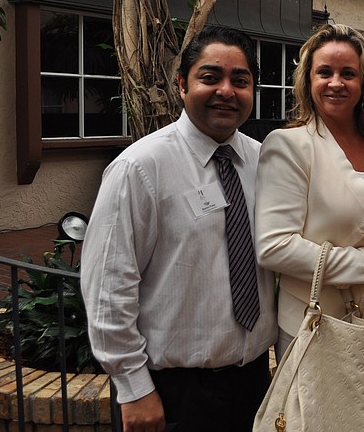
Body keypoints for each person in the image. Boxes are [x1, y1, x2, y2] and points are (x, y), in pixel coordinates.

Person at [81, 26, 276, 432]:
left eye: (240, 81)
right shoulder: (140, 168)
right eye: (210, 77)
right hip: (172, 393)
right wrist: (133, 388)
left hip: (253, 383)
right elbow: (108, 287)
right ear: (182, 85)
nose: (226, 90)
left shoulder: (265, 163)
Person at [255, 23, 364, 366]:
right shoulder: (289, 146)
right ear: (308, 80)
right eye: (324, 72)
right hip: (318, 326)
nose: (336, 83)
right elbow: (274, 246)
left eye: (348, 73)